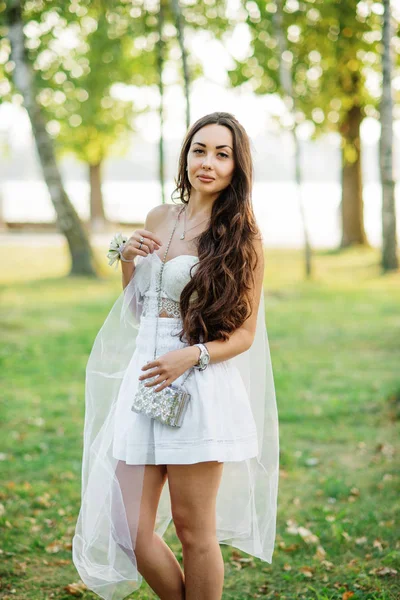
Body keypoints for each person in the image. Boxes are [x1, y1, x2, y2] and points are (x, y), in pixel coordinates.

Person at [72, 111, 279, 600]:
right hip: (144, 381)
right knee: (130, 530)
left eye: (221, 154)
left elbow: (244, 334)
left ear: (236, 167)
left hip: (200, 385)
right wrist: (128, 260)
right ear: (186, 155)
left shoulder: (241, 237)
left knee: (193, 531)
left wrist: (192, 357)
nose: (207, 162)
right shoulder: (159, 217)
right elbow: (139, 306)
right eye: (199, 149)